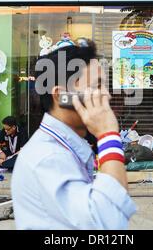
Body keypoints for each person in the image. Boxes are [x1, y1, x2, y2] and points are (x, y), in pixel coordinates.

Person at [11, 40, 136, 229]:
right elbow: (108, 220)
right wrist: (108, 135)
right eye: (97, 86)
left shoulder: (65, 146)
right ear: (61, 96)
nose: (107, 95)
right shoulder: (48, 158)